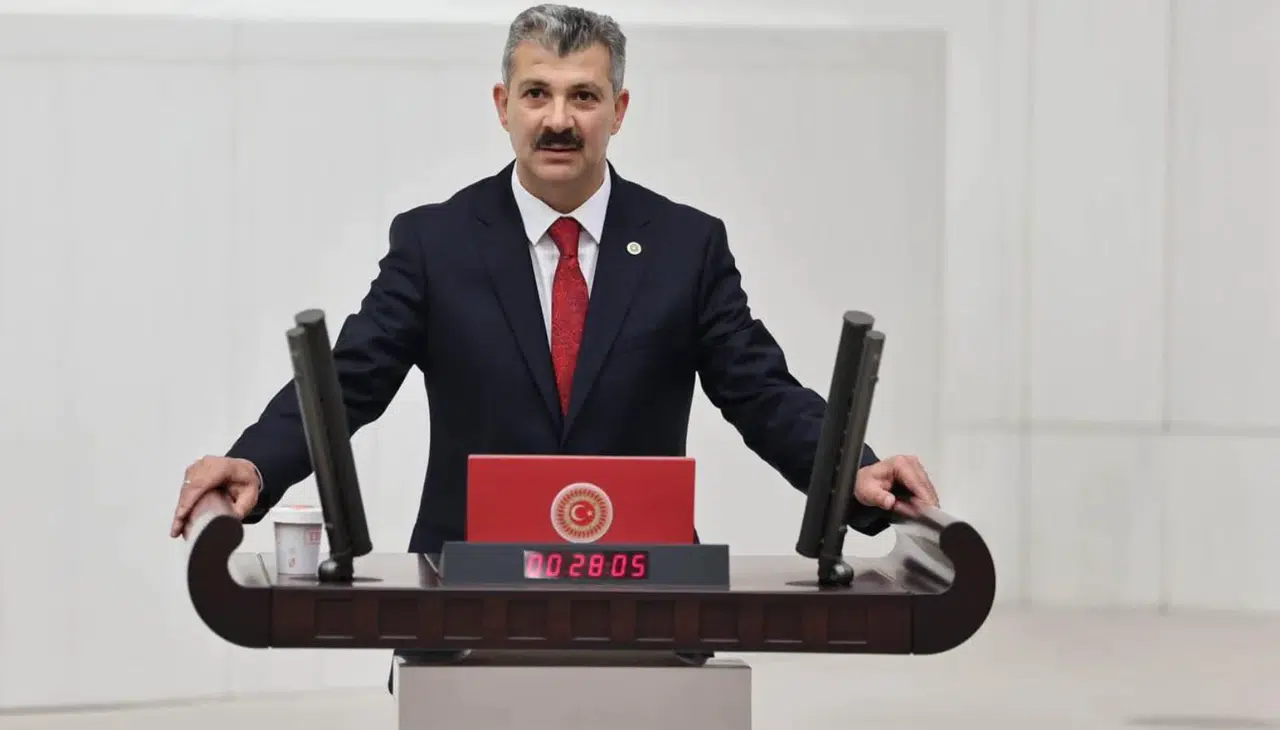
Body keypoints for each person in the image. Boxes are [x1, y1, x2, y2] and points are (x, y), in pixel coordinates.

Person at [171, 0, 939, 600]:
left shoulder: (687, 245)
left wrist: (855, 474)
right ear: (503, 103)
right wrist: (256, 462)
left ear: (619, 109)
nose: (559, 120)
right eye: (537, 93)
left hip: (648, 587)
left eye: (584, 96)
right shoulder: (436, 243)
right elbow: (349, 380)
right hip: (462, 585)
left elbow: (761, 392)